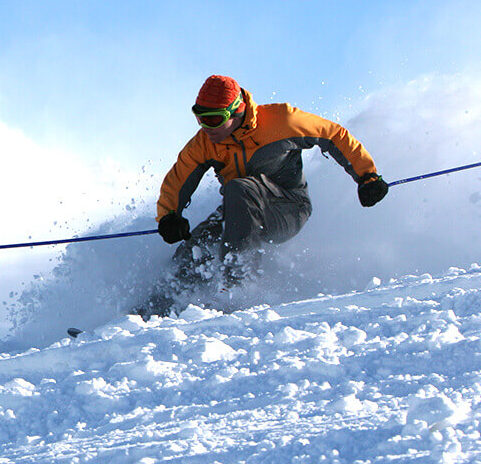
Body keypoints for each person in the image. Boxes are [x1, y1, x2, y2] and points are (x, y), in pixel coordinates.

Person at [146, 75, 389, 308]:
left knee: (239, 188)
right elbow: (179, 176)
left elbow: (333, 134)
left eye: (213, 120)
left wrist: (366, 176)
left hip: (288, 208)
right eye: (200, 118)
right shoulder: (205, 143)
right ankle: (161, 303)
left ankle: (236, 287)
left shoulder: (281, 120)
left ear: (236, 111)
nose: (205, 127)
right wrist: (169, 216)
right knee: (199, 241)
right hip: (241, 210)